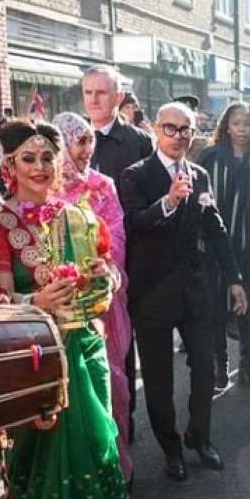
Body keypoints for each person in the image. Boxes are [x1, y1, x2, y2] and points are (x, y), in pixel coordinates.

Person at [0, 119, 134, 499]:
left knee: (94, 443)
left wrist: (106, 280)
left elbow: (107, 273)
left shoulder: (80, 215)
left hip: (85, 350)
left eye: (48, 157)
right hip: (34, 358)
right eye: (29, 158)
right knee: (41, 457)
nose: (40, 167)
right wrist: (36, 303)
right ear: (8, 165)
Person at [120, 101, 247, 481]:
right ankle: (170, 448)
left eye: (185, 130)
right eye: (170, 129)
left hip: (195, 289)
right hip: (152, 295)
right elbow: (133, 224)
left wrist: (234, 278)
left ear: (193, 134)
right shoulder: (135, 175)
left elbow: (216, 227)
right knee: (158, 381)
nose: (178, 137)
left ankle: (200, 436)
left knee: (205, 370)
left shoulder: (200, 175)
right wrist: (169, 202)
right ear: (156, 130)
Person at [51, 111, 133, 485]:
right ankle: (70, 483)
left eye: (89, 141)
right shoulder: (42, 188)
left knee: (109, 386)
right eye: (78, 141)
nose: (86, 149)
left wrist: (104, 269)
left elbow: (116, 237)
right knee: (64, 394)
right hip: (56, 307)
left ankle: (113, 474)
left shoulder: (102, 187)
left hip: (101, 303)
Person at [83, 64, 153, 441]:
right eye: (88, 93)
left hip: (128, 257)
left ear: (118, 98)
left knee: (123, 342)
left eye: (102, 93)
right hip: (80, 260)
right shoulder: (70, 136)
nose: (94, 100)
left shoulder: (138, 142)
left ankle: (124, 423)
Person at [197, 101, 250, 390]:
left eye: (247, 124)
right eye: (236, 123)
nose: (242, 129)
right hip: (215, 247)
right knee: (216, 309)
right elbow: (196, 201)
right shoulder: (208, 158)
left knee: (249, 308)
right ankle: (222, 365)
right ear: (226, 126)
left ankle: (247, 365)